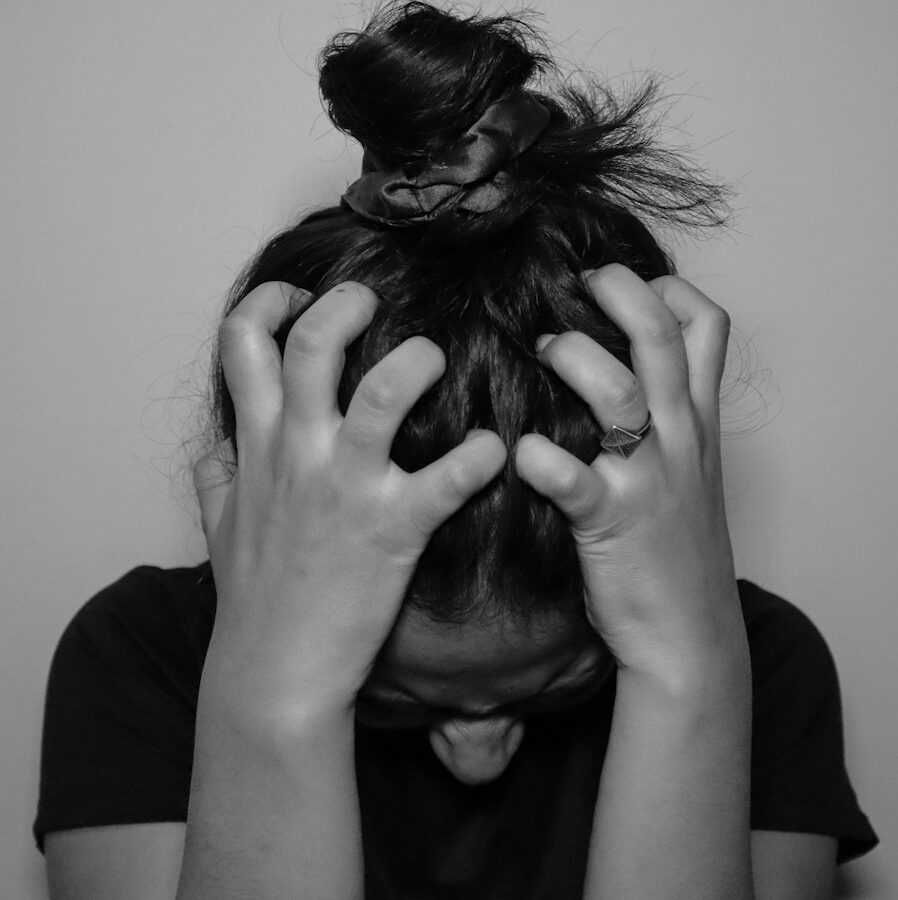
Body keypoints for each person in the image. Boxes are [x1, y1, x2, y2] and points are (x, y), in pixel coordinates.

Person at [35, 3, 877, 898]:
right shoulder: (141, 656)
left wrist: (689, 669)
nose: (478, 758)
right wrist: (276, 693)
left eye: (554, 691)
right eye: (389, 699)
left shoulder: (762, 659)